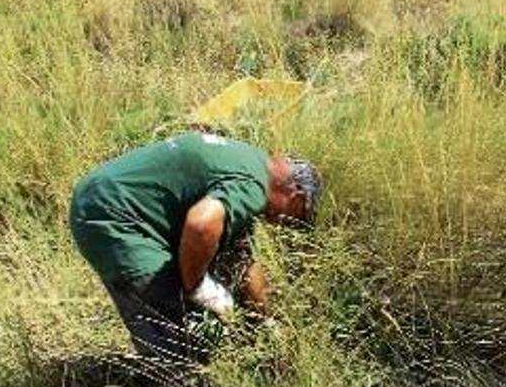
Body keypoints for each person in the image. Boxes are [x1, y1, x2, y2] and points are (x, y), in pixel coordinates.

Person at [70, 130, 322, 363]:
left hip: (101, 196)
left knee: (185, 326)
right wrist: (198, 286)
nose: (282, 224)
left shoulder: (250, 162)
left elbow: (243, 262)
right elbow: (201, 225)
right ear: (295, 195)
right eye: (296, 217)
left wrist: (267, 322)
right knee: (176, 346)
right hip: (114, 216)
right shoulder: (254, 187)